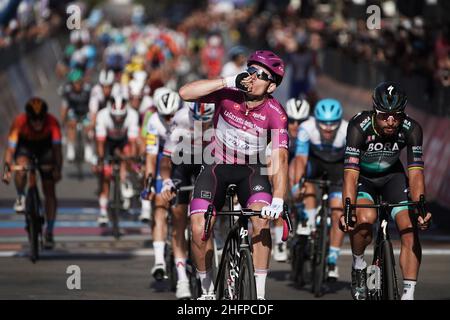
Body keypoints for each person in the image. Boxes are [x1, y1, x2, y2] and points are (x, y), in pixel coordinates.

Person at [179, 50, 289, 300]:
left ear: (271, 86)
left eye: (260, 74)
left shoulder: (275, 112)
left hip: (251, 172)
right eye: (250, 69)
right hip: (216, 167)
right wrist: (228, 81)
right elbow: (185, 93)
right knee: (198, 228)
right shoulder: (228, 94)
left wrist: (279, 199)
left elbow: (280, 159)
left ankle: (259, 295)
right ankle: (206, 290)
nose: (252, 76)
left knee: (261, 221)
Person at [340, 81, 432, 300]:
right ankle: (359, 265)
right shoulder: (358, 126)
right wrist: (348, 210)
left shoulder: (412, 128)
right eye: (384, 116)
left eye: (397, 116)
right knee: (364, 219)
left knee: (409, 228)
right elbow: (350, 174)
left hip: (394, 177)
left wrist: (420, 207)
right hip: (364, 178)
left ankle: (408, 294)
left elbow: (416, 172)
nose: (391, 121)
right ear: (375, 111)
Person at [142, 88, 210, 300]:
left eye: (206, 124)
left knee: (207, 216)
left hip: (204, 161)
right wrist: (166, 181)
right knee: (178, 217)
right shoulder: (179, 120)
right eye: (197, 124)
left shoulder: (219, 121)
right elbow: (163, 160)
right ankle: (181, 278)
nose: (201, 128)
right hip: (180, 163)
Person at [291, 98, 348, 280]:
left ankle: (332, 258)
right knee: (299, 173)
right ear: (316, 121)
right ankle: (309, 219)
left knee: (338, 210)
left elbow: (353, 165)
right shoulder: (306, 128)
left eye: (333, 124)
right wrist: (298, 183)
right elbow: (301, 159)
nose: (328, 128)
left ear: (339, 121)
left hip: (338, 167)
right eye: (324, 124)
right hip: (315, 164)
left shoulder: (348, 130)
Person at [2, 97, 63, 249]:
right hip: (25, 147)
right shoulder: (19, 122)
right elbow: (10, 150)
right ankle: (21, 195)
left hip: (45, 149)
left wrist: (57, 168)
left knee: (49, 189)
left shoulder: (52, 123)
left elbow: (57, 150)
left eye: (40, 119)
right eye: (34, 119)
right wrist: (7, 169)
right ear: (28, 117)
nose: (37, 123)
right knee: (21, 166)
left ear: (45, 117)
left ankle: (49, 231)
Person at [273, 97, 310, 262]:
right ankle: (279, 241)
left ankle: (305, 214)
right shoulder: (279, 128)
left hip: (302, 167)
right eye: (292, 120)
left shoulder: (309, 131)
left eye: (300, 121)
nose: (295, 125)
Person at [94, 96, 139, 226]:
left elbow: (132, 142)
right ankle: (103, 212)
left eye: (121, 116)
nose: (118, 119)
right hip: (108, 142)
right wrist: (101, 160)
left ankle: (125, 181)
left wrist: (132, 160)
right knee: (106, 175)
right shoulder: (102, 115)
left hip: (123, 141)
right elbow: (100, 142)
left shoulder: (132, 115)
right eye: (115, 116)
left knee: (128, 156)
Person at [60, 68, 92, 162]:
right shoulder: (67, 91)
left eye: (79, 82)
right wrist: (63, 121)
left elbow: (93, 104)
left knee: (87, 126)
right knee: (71, 123)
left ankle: (88, 147)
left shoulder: (88, 90)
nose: (77, 85)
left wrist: (92, 120)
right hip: (73, 112)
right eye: (75, 82)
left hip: (85, 111)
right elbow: (64, 106)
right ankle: (71, 148)